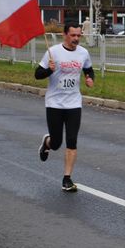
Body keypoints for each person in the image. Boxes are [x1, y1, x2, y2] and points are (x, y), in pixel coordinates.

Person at [35, 21, 95, 192]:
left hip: (74, 103)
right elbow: (37, 74)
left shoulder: (83, 53)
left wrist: (90, 78)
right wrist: (49, 70)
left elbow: (88, 70)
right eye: (73, 35)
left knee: (72, 140)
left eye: (79, 35)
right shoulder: (53, 52)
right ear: (65, 35)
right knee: (56, 143)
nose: (76, 38)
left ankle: (67, 178)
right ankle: (47, 143)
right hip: (54, 103)